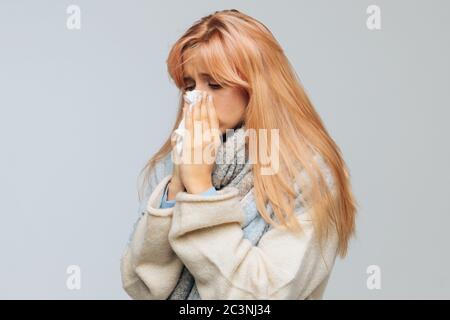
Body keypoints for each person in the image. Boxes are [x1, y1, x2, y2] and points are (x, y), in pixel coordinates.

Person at [120, 9, 357, 300]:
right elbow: (141, 286)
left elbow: (258, 299)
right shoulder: (183, 160)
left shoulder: (309, 174)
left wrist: (201, 192)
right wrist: (178, 187)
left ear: (256, 87)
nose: (196, 99)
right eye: (189, 86)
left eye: (215, 84)